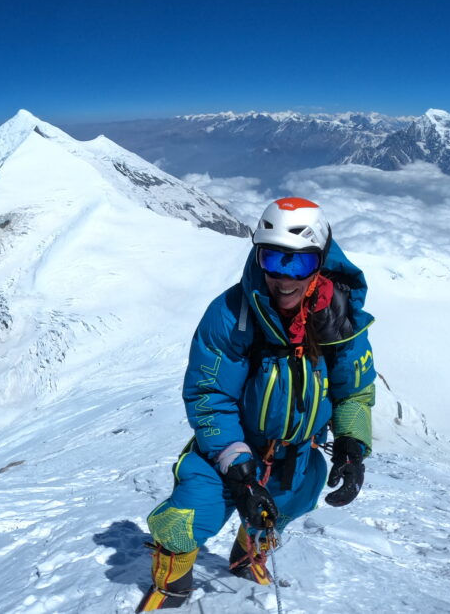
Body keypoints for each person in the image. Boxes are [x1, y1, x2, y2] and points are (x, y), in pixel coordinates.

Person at [136, 197, 376, 611]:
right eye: (271, 260)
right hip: (228, 452)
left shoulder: (339, 319)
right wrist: (240, 470)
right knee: (184, 520)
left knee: (284, 507)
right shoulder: (231, 315)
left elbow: (353, 389)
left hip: (295, 456)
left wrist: (352, 446)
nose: (283, 279)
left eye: (297, 264)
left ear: (319, 262)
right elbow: (210, 397)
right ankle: (171, 586)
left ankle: (248, 555)